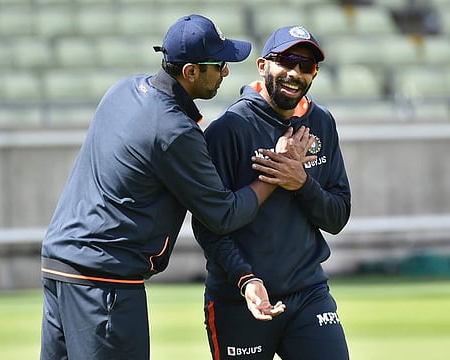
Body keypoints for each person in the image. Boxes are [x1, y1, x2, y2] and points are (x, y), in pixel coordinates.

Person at [39, 14, 306, 360]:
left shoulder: (124, 88)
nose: (226, 72)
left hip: (59, 264)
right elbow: (223, 215)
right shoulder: (174, 130)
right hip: (104, 280)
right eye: (219, 64)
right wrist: (276, 171)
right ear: (191, 72)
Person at [192, 25, 352, 359]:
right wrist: (247, 279)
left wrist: (301, 183)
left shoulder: (321, 122)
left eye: (306, 66)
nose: (295, 73)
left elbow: (337, 216)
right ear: (262, 65)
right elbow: (207, 225)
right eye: (286, 61)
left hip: (309, 292)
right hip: (240, 299)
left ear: (315, 73)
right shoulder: (228, 129)